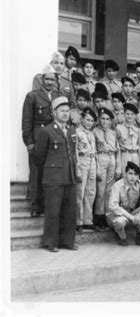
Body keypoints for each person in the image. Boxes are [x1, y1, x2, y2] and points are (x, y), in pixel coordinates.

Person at [34, 96, 79, 252]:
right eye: (62, 111)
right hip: (53, 177)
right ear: (54, 113)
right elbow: (39, 157)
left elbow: (72, 153)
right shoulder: (46, 131)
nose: (65, 114)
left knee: (70, 210)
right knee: (53, 211)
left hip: (70, 175)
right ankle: (51, 243)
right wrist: (50, 171)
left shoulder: (72, 130)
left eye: (67, 111)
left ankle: (68, 241)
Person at [22, 69, 60, 216]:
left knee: (51, 173)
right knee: (37, 173)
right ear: (42, 79)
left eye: (52, 79)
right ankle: (36, 207)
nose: (50, 82)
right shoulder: (32, 96)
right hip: (38, 139)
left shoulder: (58, 96)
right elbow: (26, 121)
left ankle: (48, 206)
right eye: (47, 79)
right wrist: (29, 142)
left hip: (54, 140)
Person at [107, 161, 140, 247]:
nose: (133, 177)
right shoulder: (117, 186)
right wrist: (131, 217)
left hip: (130, 214)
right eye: (130, 173)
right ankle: (122, 238)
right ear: (125, 173)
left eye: (136, 174)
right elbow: (113, 206)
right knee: (120, 221)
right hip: (115, 216)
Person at [93, 108, 121, 230]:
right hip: (101, 158)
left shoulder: (113, 133)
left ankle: (107, 216)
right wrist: (97, 169)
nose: (105, 121)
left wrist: (118, 168)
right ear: (99, 120)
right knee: (100, 190)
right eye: (103, 119)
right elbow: (93, 152)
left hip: (112, 159)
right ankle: (98, 217)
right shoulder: (95, 132)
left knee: (109, 191)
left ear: (111, 121)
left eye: (107, 119)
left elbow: (118, 150)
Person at [75, 107, 98, 232]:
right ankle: (78, 221)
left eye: (92, 120)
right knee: (80, 191)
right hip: (82, 161)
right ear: (81, 119)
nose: (89, 123)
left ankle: (88, 220)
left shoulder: (92, 133)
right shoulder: (77, 132)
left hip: (92, 161)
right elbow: (75, 153)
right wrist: (77, 169)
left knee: (91, 191)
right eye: (87, 120)